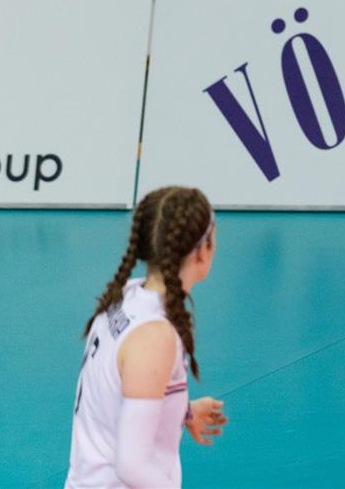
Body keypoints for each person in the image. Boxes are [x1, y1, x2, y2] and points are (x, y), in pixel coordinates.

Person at [66, 186, 227, 488]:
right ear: (202, 251)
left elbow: (120, 391)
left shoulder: (128, 295)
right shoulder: (154, 337)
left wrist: (182, 412)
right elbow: (132, 467)